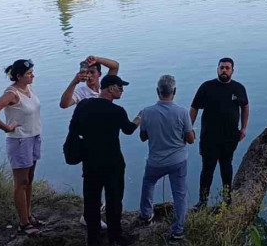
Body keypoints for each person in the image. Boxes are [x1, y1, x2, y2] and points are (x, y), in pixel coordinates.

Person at [69, 75, 141, 246]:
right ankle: (115, 236)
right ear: (110, 88)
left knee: (91, 201)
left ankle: (93, 238)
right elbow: (129, 130)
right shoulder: (117, 111)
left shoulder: (83, 106)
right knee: (114, 201)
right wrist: (139, 118)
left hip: (90, 161)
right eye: (120, 87)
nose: (122, 90)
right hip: (113, 163)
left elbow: (74, 128)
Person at [0, 59, 43, 236]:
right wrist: (6, 127)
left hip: (34, 137)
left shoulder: (28, 88)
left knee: (29, 180)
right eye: (29, 74)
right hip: (19, 141)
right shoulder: (11, 94)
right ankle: (23, 223)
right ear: (18, 76)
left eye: (32, 72)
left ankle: (29, 215)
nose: (33, 75)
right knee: (21, 182)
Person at [60, 55, 119, 229]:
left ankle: (97, 211)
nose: (89, 76)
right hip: (89, 143)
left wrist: (96, 58)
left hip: (107, 139)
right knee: (92, 179)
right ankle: (88, 216)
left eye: (92, 72)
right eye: (86, 73)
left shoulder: (107, 86)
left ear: (100, 74)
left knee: (107, 178)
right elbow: (63, 104)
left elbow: (115, 65)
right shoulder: (81, 92)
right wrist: (74, 81)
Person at [138, 75, 195, 241]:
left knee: (148, 183)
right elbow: (190, 140)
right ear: (174, 91)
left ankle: (146, 215)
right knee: (180, 194)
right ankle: (178, 230)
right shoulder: (183, 112)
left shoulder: (147, 112)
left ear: (158, 91)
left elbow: (143, 137)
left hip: (155, 161)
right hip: (178, 161)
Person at [190, 58, 249, 208]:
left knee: (226, 167)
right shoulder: (207, 87)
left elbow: (245, 107)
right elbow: (194, 107)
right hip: (209, 137)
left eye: (227, 68)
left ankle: (227, 198)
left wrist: (243, 128)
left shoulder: (238, 88)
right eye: (222, 67)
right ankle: (202, 201)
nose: (224, 70)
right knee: (207, 169)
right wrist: (189, 128)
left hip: (230, 137)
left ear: (232, 71)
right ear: (217, 69)